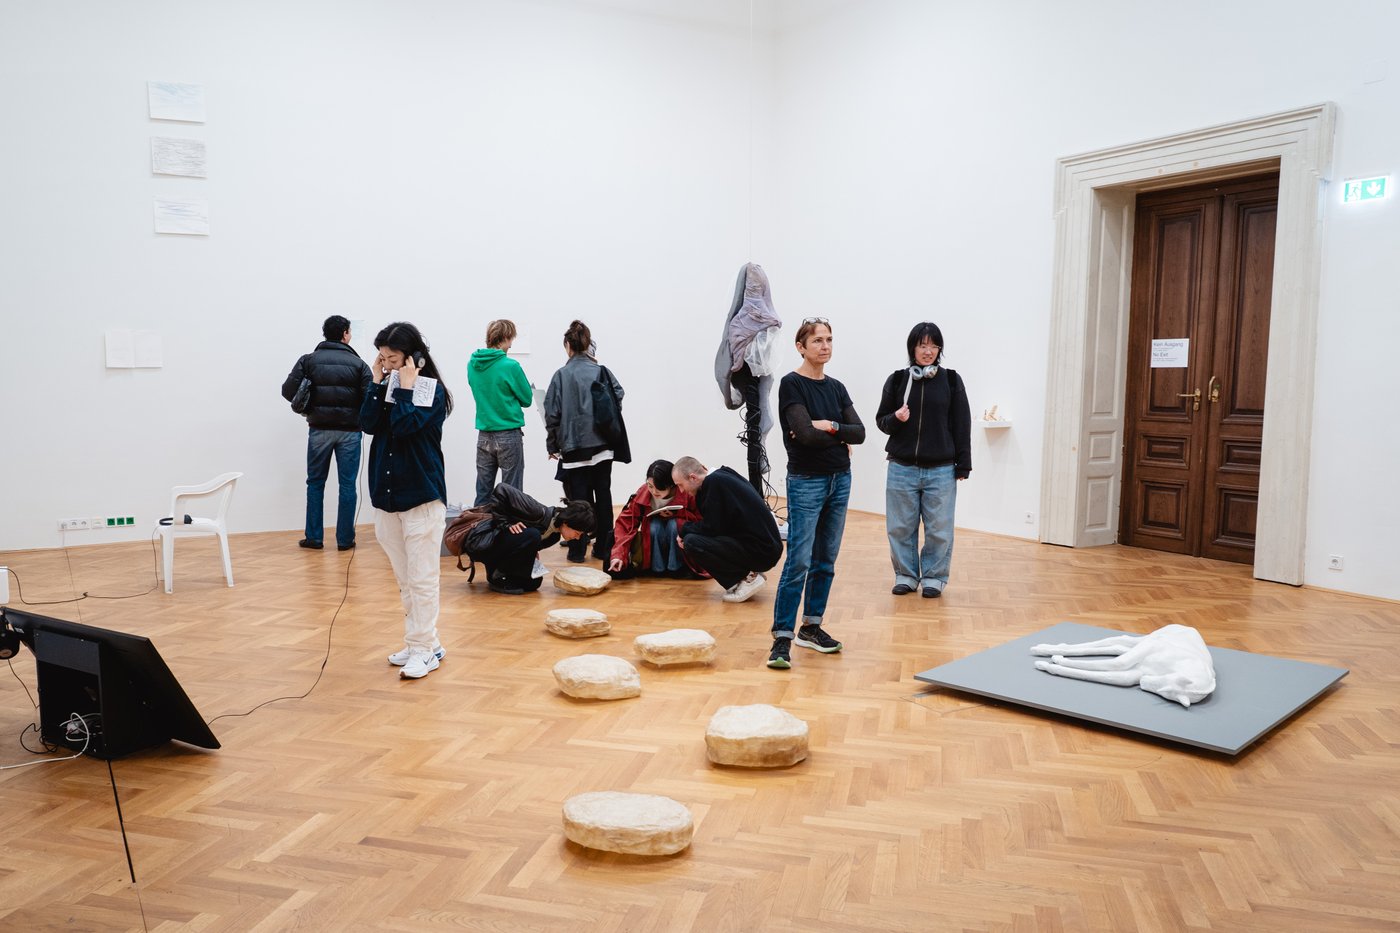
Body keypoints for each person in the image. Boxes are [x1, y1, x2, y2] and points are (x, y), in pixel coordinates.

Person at [767, 317, 865, 670]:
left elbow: (860, 433)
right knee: (799, 561)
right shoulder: (792, 385)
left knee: (826, 560)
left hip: (840, 480)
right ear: (801, 347)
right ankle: (782, 637)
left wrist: (831, 426)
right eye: (818, 341)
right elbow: (803, 436)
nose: (825, 346)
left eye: (829, 340)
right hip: (806, 480)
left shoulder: (836, 387)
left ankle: (812, 627)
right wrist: (833, 434)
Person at [359, 322, 453, 680]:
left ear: (415, 358)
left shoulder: (432, 392)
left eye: (393, 359)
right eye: (382, 358)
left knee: (423, 577)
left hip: (422, 497)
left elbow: (403, 426)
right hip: (386, 499)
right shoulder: (387, 385)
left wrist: (407, 388)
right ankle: (426, 641)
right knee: (404, 578)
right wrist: (376, 381)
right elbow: (367, 423)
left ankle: (423, 649)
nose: (388, 365)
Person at [875, 322, 971, 599]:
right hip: (901, 468)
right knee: (900, 527)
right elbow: (882, 421)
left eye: (933, 345)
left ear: (939, 349)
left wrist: (963, 463)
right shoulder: (897, 380)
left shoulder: (952, 380)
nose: (928, 351)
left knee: (939, 529)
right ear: (912, 348)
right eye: (922, 345)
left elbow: (961, 423)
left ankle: (934, 577)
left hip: (941, 469)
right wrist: (896, 418)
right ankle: (905, 574)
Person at [280, 315, 372, 551]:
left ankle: (314, 537)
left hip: (319, 430)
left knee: (315, 483)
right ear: (345, 334)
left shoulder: (308, 361)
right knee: (348, 485)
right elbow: (369, 399)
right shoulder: (359, 364)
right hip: (350, 433)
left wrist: (311, 405)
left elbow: (288, 391)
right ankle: (344, 540)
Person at [544, 320, 625, 564]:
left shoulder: (561, 375)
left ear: (568, 345)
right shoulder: (601, 371)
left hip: (573, 447)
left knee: (579, 500)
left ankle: (577, 550)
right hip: (603, 446)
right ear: (588, 344)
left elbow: (552, 414)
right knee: (604, 494)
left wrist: (552, 444)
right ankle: (604, 548)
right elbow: (618, 395)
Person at [673, 456, 782, 602]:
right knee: (694, 538)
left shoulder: (714, 484)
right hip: (766, 547)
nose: (681, 491)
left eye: (680, 485)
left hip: (762, 551)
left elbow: (712, 528)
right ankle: (747, 576)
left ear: (692, 477)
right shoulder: (723, 475)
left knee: (692, 542)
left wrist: (684, 529)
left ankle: (747, 579)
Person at [468, 484, 595, 594]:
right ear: (566, 522)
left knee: (534, 583)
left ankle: (499, 576)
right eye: (577, 533)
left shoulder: (554, 537)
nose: (577, 538)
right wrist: (506, 524)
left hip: (503, 549)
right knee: (532, 535)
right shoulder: (537, 511)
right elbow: (501, 489)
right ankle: (496, 574)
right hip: (482, 543)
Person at [466, 319, 533, 507]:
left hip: (484, 435)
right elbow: (527, 399)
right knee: (512, 493)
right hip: (508, 434)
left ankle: (478, 533)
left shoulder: (472, 364)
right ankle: (510, 535)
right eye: (511, 339)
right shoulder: (510, 366)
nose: (511, 344)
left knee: (482, 492)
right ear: (504, 338)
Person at [607, 459, 705, 579]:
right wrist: (618, 555)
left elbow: (701, 520)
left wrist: (677, 515)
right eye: (650, 486)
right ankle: (657, 568)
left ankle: (676, 568)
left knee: (674, 525)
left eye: (659, 488)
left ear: (671, 485)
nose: (654, 491)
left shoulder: (686, 492)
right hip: (654, 535)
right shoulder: (642, 494)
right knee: (654, 526)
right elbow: (626, 524)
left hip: (680, 542)